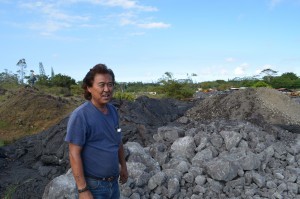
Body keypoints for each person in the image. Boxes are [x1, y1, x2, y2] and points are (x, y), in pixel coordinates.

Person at [65, 64, 128, 199]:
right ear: (89, 88)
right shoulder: (80, 116)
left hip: (113, 184)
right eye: (101, 85)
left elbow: (118, 142)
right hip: (94, 186)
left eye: (110, 84)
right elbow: (73, 153)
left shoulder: (113, 111)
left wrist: (123, 166)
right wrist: (83, 190)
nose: (107, 89)